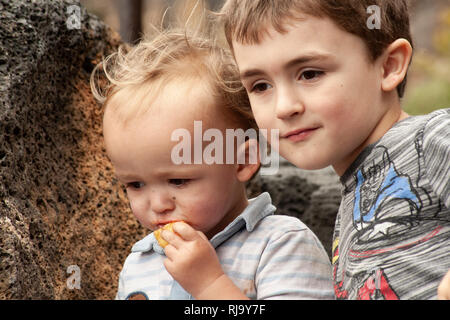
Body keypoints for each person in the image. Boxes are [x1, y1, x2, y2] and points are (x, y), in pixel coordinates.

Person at [219, 0, 450, 299]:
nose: (285, 107)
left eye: (310, 73)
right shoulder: (351, 197)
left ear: (388, 66)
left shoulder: (429, 139)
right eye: (261, 86)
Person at [90, 29, 334, 300]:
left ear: (242, 161)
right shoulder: (139, 263)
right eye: (135, 184)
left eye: (178, 181)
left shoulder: (281, 244)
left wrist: (209, 285)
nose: (158, 204)